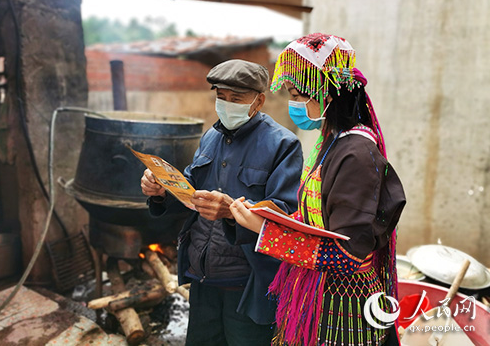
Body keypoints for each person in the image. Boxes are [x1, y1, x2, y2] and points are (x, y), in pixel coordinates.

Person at [229, 34, 406, 346]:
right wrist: (275, 214)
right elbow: (321, 218)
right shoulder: (333, 142)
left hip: (343, 303)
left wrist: (266, 231)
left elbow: (348, 255)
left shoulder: (356, 155)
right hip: (318, 292)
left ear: (329, 94)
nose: (293, 104)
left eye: (298, 95)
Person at [140, 59, 303, 346]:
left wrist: (233, 211)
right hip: (204, 278)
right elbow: (190, 192)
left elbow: (284, 214)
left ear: (258, 101)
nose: (226, 105)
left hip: (248, 283)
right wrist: (161, 191)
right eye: (221, 97)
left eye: (236, 99)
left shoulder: (283, 145)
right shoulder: (211, 137)